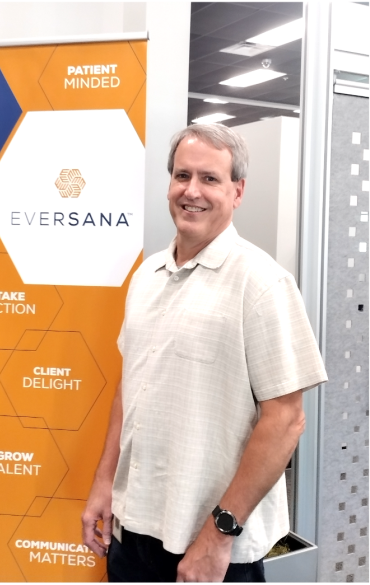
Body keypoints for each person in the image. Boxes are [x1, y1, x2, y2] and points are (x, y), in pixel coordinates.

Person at [81, 124, 328, 583]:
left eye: (210, 179)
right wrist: (104, 485)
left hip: (214, 548)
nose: (191, 191)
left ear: (238, 191)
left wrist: (218, 536)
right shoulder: (147, 276)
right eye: (181, 176)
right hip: (132, 531)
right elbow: (129, 389)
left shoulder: (262, 284)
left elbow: (286, 420)